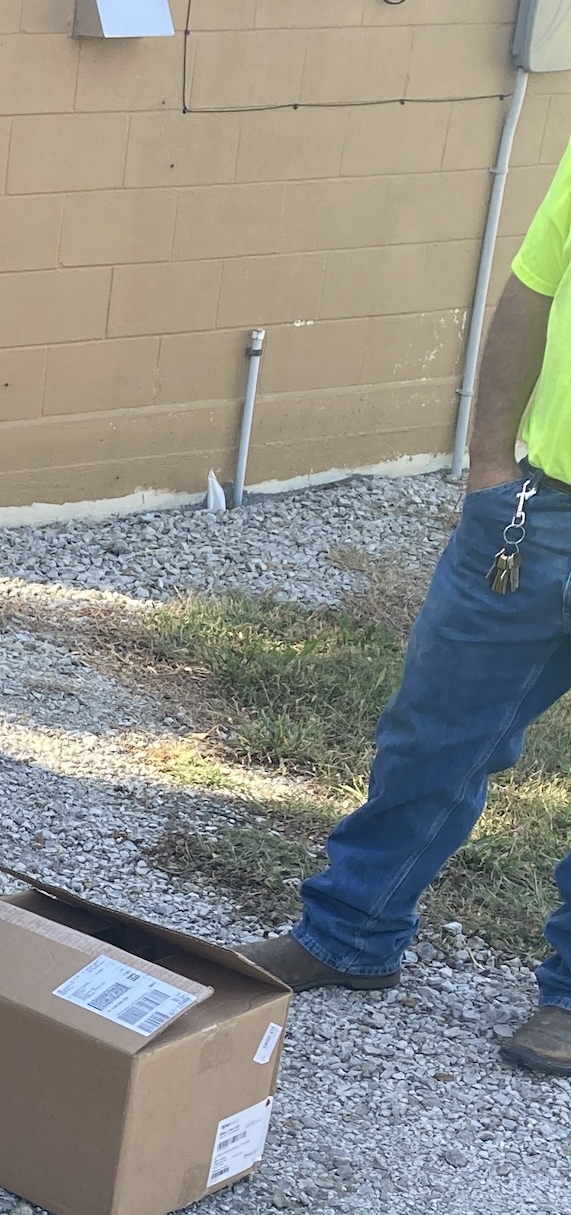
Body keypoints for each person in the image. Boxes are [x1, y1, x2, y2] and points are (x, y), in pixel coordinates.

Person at [244, 135, 571, 1078]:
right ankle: (351, 930)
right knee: (431, 732)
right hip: (534, 512)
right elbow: (533, 291)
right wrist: (490, 466)